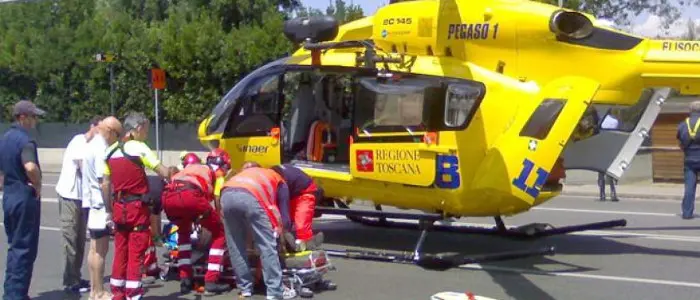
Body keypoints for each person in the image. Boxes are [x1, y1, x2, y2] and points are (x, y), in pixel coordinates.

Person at [102, 112, 174, 300]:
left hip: (118, 208)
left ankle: (117, 293)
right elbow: (162, 171)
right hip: (136, 208)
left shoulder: (109, 152)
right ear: (138, 128)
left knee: (120, 251)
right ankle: (133, 293)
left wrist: (108, 210)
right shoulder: (140, 148)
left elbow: (106, 184)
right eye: (146, 130)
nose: (146, 135)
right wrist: (173, 172)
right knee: (136, 251)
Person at [219, 162, 296, 299]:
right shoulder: (280, 181)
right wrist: (282, 230)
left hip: (226, 194)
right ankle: (274, 291)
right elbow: (283, 215)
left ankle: (245, 288)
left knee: (235, 245)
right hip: (250, 196)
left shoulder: (248, 174)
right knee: (266, 245)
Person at [161, 151, 231, 295]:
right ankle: (211, 281)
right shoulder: (216, 174)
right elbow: (215, 198)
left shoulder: (191, 169)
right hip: (189, 195)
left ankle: (185, 280)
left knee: (183, 234)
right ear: (223, 165)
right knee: (220, 232)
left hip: (168, 196)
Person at [0, 100, 46, 299]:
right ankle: (16, 295)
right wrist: (37, 184)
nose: (35, 120)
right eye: (33, 116)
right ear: (22, 117)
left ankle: (11, 291)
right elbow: (30, 167)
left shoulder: (5, 139)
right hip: (24, 198)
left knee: (14, 246)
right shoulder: (25, 140)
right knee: (25, 249)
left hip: (9, 196)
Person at [56, 115, 103, 294]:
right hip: (69, 195)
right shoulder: (78, 141)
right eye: (100, 130)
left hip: (82, 198)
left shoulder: (94, 146)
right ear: (93, 127)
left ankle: (75, 276)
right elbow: (84, 168)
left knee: (81, 239)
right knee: (70, 237)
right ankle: (70, 280)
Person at [82, 116, 122, 300]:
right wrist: (110, 209)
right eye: (118, 134)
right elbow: (103, 182)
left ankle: (94, 289)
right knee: (100, 250)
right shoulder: (101, 149)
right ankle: (98, 291)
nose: (118, 138)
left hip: (93, 203)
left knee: (94, 249)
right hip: (100, 204)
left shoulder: (91, 145)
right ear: (110, 130)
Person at [267, 163, 324, 252]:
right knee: (282, 219)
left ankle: (308, 244)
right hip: (293, 192)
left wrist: (284, 230)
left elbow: (284, 214)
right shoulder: (270, 178)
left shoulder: (280, 183)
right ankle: (288, 243)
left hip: (306, 192)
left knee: (301, 225)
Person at [677, 101, 700, 220]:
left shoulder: (682, 124)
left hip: (689, 158)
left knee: (689, 187)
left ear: (690, 111)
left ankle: (687, 213)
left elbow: (680, 141)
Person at [598, 112, 620, 202]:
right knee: (610, 173)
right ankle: (613, 193)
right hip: (610, 149)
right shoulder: (615, 121)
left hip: (601, 148)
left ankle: (602, 194)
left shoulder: (600, 121)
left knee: (601, 173)